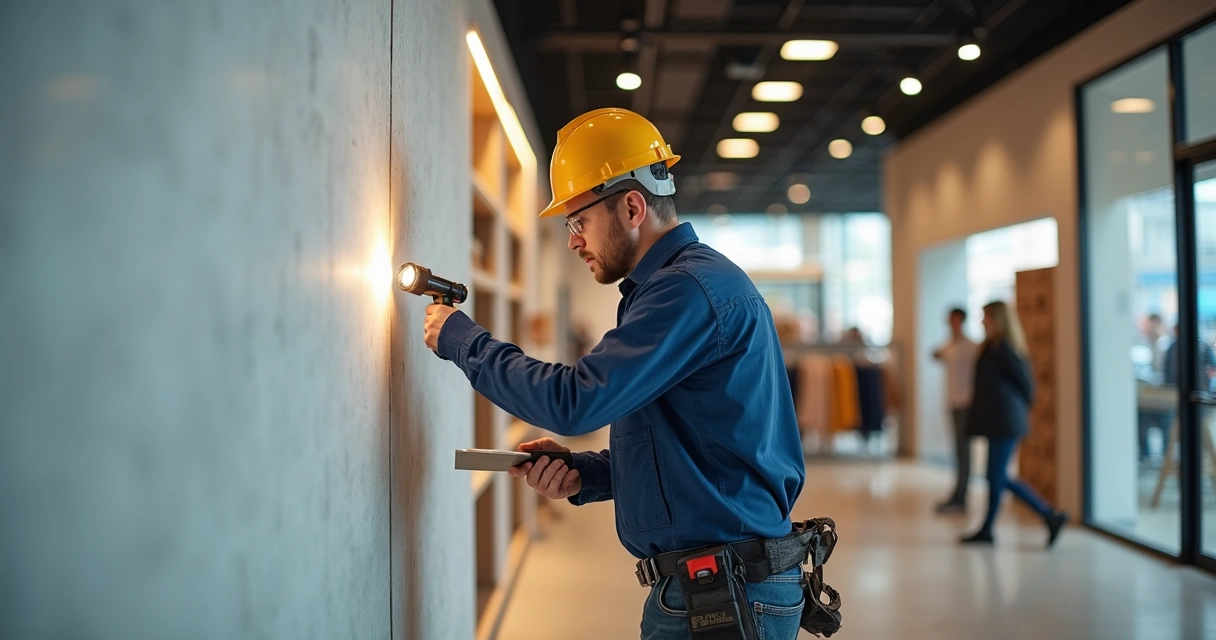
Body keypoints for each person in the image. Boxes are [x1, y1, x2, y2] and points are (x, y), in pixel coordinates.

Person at [421, 108, 820, 639]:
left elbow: (575, 402)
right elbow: (697, 452)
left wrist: (461, 340)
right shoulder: (676, 290)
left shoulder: (686, 291)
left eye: (578, 221)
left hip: (724, 592)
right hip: (714, 586)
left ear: (632, 206)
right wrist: (586, 473)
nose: (573, 241)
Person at [960, 301, 1069, 548]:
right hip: (995, 420)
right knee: (995, 477)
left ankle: (1048, 514)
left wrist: (1015, 411)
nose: (982, 321)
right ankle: (989, 528)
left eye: (986, 317)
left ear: (998, 320)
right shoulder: (991, 347)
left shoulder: (1006, 350)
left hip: (1005, 421)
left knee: (997, 476)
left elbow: (1027, 386)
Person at [932, 307, 977, 514]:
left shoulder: (970, 346)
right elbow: (937, 355)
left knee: (963, 451)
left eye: (953, 319)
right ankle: (958, 493)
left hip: (965, 404)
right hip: (953, 402)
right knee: (958, 450)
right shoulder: (951, 344)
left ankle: (961, 495)